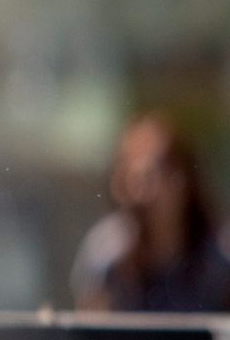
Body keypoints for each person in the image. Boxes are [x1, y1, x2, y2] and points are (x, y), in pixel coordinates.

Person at [72, 114, 230, 312]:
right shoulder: (106, 258)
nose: (144, 195)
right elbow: (92, 336)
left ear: (182, 180)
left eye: (155, 176)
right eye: (133, 180)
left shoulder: (221, 259)